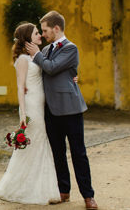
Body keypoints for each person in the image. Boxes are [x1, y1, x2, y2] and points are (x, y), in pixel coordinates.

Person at [25, 11, 98, 210]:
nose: (43, 34)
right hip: (50, 110)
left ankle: (88, 196)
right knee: (58, 153)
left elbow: (52, 67)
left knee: (78, 153)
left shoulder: (70, 48)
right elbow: (41, 71)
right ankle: (63, 191)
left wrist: (37, 55)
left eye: (46, 30)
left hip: (71, 109)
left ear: (56, 28)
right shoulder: (46, 49)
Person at [0, 22, 61, 204]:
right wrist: (22, 113)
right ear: (28, 38)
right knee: (34, 143)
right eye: (37, 33)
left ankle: (42, 188)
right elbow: (20, 88)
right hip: (31, 106)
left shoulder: (36, 56)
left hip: (40, 104)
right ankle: (20, 188)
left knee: (39, 143)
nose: (40, 35)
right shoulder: (23, 59)